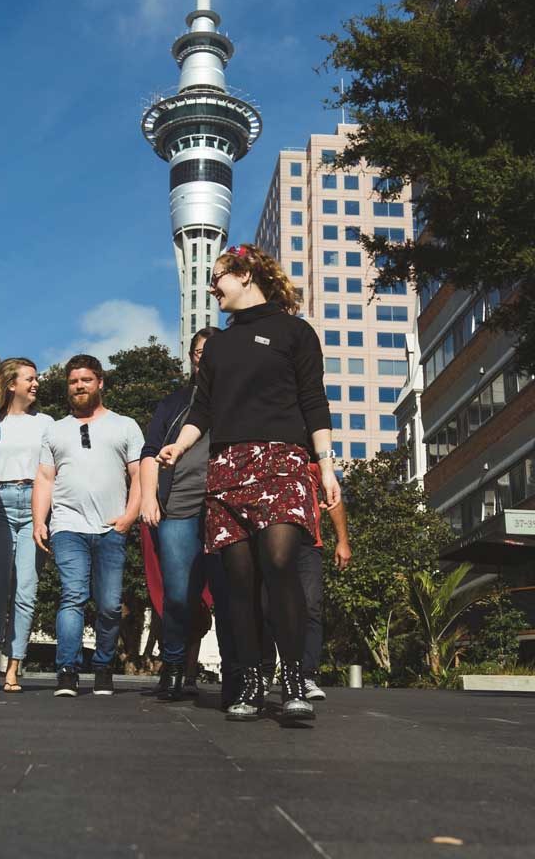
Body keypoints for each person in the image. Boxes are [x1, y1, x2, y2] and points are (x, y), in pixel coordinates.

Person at [158, 244, 340, 724]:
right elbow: (204, 409)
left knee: (280, 564)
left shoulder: (294, 332)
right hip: (228, 467)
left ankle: (296, 680)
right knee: (239, 584)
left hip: (282, 461)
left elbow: (313, 401)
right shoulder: (218, 345)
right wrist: (180, 444)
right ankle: (252, 682)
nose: (211, 286)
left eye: (218, 276)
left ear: (244, 274)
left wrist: (325, 464)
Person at [32, 354, 143, 697]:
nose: (79, 386)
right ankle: (67, 669)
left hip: (112, 527)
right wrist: (40, 520)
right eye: (73, 381)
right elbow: (45, 478)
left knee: (109, 604)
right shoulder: (56, 429)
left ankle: (104, 667)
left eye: (86, 380)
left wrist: (129, 516)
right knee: (73, 596)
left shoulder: (125, 425)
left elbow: (139, 474)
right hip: (68, 525)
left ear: (100, 383)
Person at [139, 328, 237, 705]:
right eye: (198, 351)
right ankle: (175, 667)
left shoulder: (236, 400)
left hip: (225, 506)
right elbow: (150, 451)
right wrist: (149, 497)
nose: (204, 356)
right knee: (177, 596)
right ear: (192, 357)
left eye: (212, 351)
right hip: (178, 505)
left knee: (230, 595)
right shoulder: (174, 403)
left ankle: (236, 673)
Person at [0, 357, 53, 692]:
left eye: (37, 379)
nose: (36, 384)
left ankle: (14, 664)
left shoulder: (47, 423)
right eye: (30, 379)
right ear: (11, 384)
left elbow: (51, 472)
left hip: (34, 503)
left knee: (26, 589)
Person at [262, 462, 353, 701]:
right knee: (266, 606)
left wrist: (342, 541)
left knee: (311, 605)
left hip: (308, 544)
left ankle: (306, 675)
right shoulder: (266, 453)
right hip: (269, 541)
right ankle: (265, 671)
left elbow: (333, 498)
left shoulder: (312, 460)